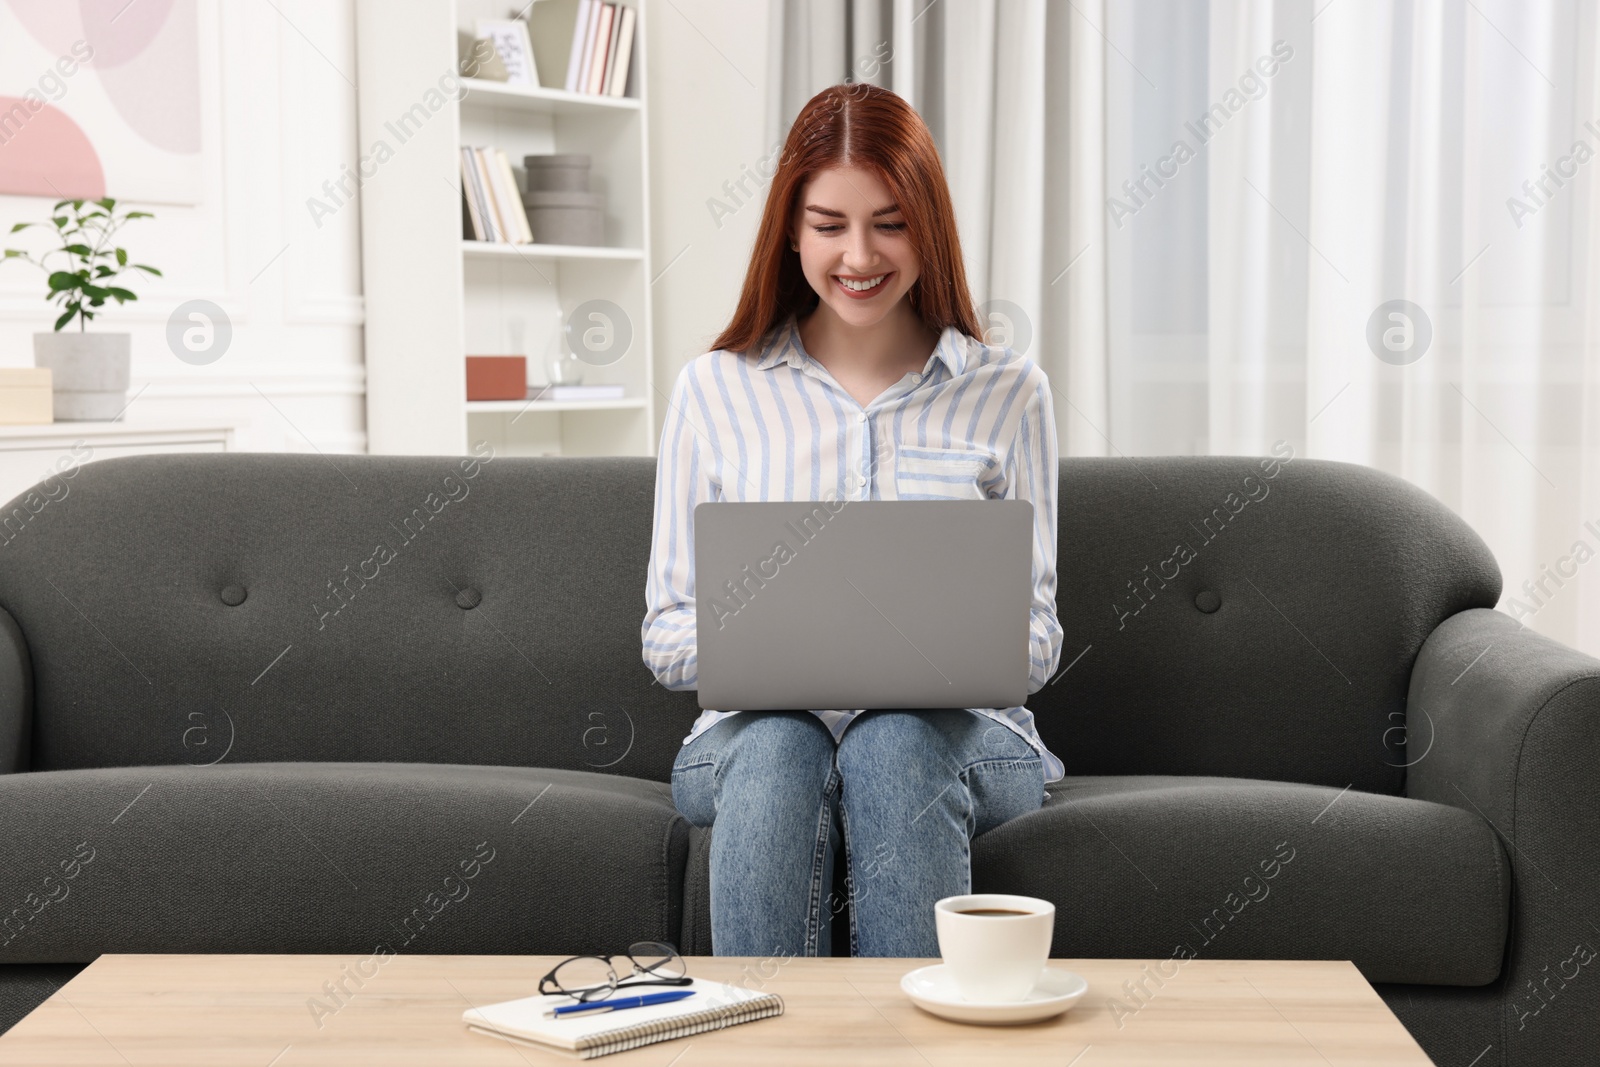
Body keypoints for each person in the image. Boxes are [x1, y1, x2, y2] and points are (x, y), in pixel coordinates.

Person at [641, 82, 1063, 959]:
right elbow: (667, 635)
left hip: (965, 741)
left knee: (893, 740)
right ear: (791, 232)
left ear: (929, 228)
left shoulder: (1009, 393)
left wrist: (913, 666)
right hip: (751, 741)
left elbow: (1036, 640)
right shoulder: (714, 391)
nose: (859, 254)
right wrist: (790, 657)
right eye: (829, 224)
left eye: (891, 222)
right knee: (781, 749)